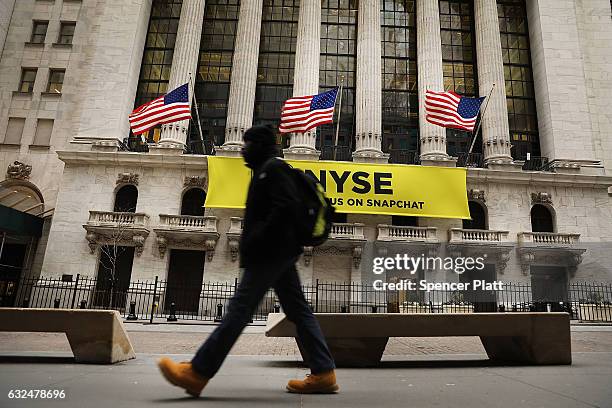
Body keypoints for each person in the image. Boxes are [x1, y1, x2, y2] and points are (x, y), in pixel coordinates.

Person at [157, 125, 338, 397]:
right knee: (298, 311)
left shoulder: (272, 169)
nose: (243, 149)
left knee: (239, 310)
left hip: (270, 252)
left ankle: (197, 372)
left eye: (247, 144)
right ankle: (324, 372)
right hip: (279, 252)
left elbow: (285, 207)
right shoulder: (268, 169)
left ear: (259, 146)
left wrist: (257, 238)